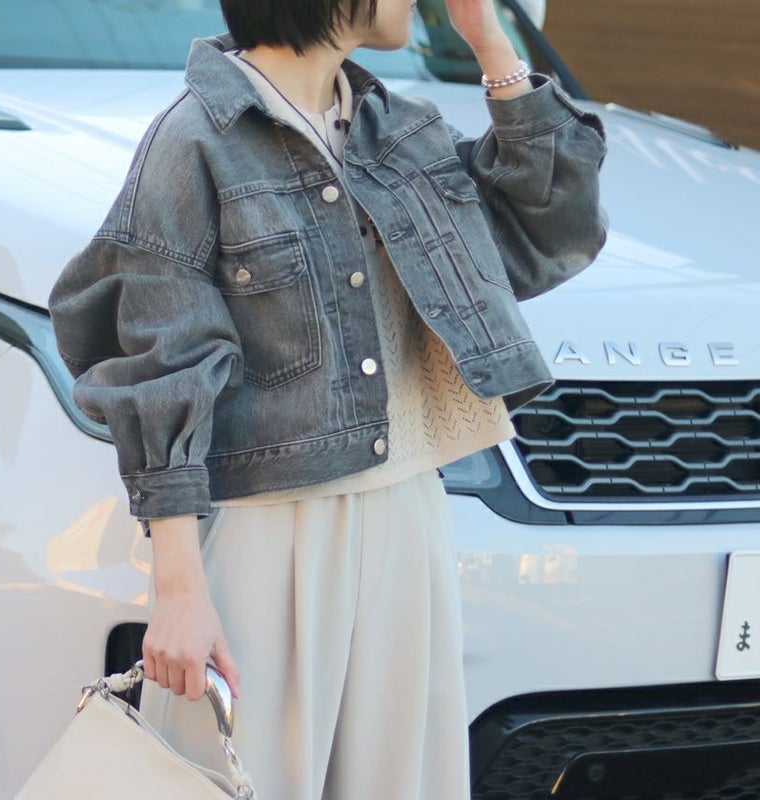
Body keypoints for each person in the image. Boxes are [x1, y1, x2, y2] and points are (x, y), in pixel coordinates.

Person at [49, 0, 607, 796]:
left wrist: (490, 41)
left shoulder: (400, 132)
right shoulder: (195, 141)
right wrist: (177, 592)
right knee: (254, 777)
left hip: (409, 518)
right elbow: (159, 366)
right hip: (271, 533)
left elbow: (553, 229)